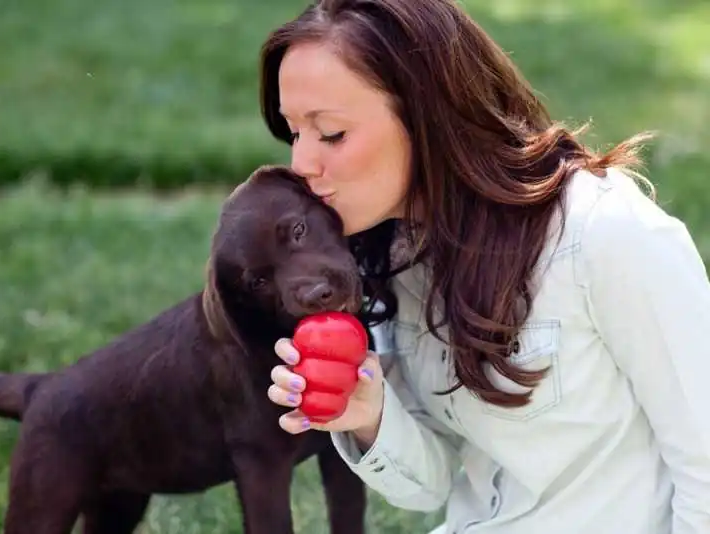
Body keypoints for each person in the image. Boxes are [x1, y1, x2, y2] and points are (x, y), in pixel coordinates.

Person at [258, 0, 710, 533]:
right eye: (295, 133)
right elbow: (431, 486)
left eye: (331, 133)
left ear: (427, 116)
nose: (301, 165)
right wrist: (367, 414)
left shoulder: (603, 233)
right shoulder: (391, 254)